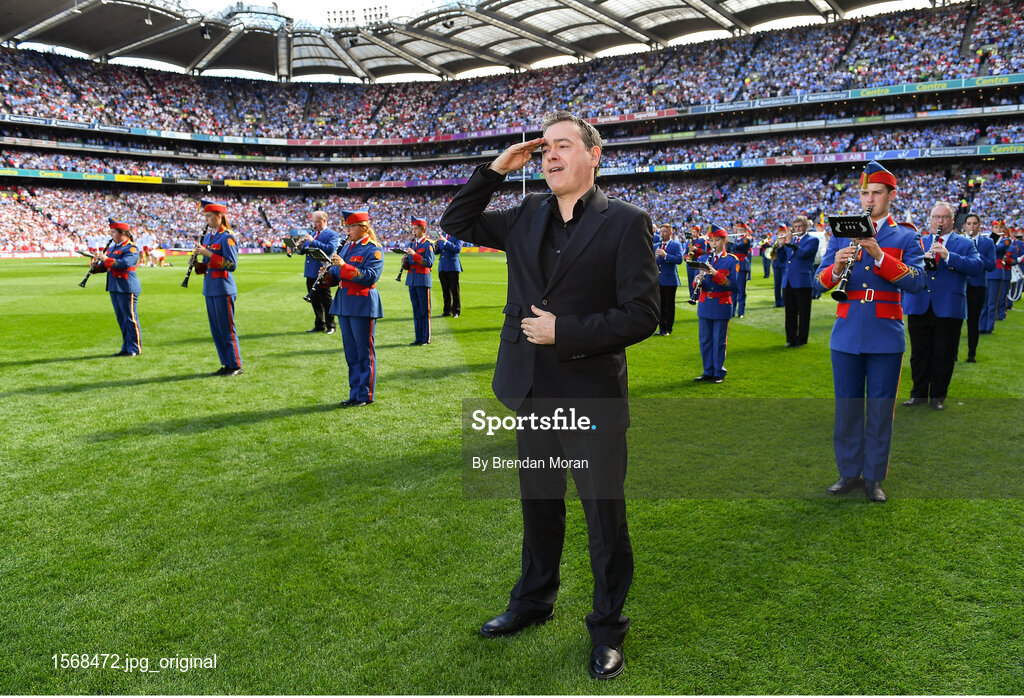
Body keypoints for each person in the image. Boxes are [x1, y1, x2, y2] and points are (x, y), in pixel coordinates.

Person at [438, 110, 659, 680]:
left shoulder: (626, 222)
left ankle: (607, 629)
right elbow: (456, 221)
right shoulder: (526, 213)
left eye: (563, 145)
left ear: (594, 155)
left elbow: (643, 314)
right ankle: (533, 603)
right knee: (539, 508)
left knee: (602, 516)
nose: (550, 156)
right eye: (543, 149)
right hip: (532, 392)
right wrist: (495, 168)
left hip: (590, 395)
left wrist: (568, 332)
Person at [814, 161, 926, 503]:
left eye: (877, 193)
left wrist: (880, 257)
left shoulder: (905, 235)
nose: (870, 199)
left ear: (891, 195)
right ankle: (848, 473)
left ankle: (874, 477)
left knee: (880, 411)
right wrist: (836, 267)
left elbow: (918, 283)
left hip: (885, 335)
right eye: (865, 192)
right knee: (847, 409)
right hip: (846, 333)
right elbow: (817, 282)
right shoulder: (841, 232)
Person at [901, 202, 983, 410]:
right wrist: (921, 261)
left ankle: (938, 397)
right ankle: (917, 394)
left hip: (948, 306)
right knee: (919, 353)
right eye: (936, 217)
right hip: (919, 303)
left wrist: (948, 256)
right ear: (929, 219)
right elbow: (905, 268)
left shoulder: (964, 243)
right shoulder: (918, 241)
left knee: (944, 353)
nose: (939, 221)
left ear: (952, 220)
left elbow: (977, 267)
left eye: (944, 217)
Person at [325, 210, 383, 407]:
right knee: (351, 353)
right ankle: (355, 392)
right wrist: (326, 276)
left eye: (351, 227)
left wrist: (343, 266)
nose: (347, 231)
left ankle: (365, 395)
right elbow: (336, 274)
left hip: (362, 303)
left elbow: (369, 277)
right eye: (346, 227)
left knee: (364, 352)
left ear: (363, 228)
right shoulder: (347, 247)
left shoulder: (373, 249)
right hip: (344, 304)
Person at [194, 200, 242, 376]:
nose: (206, 220)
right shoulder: (209, 237)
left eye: (209, 216)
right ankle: (226, 363)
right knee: (216, 329)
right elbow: (208, 265)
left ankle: (236, 364)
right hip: (210, 287)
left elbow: (231, 265)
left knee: (227, 328)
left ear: (219, 217)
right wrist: (197, 264)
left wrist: (207, 253)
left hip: (223, 288)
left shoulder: (227, 237)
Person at [693, 223, 738, 383]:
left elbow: (734, 285)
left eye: (717, 240)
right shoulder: (703, 259)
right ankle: (707, 371)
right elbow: (696, 282)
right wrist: (697, 281)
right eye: (711, 241)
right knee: (705, 340)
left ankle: (719, 371)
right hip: (705, 303)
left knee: (719, 341)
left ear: (724, 241)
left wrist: (715, 274)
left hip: (721, 304)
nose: (713, 244)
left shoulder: (731, 261)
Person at [93, 217, 142, 356]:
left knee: (130, 318)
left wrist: (106, 260)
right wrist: (95, 267)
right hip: (114, 286)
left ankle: (134, 348)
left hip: (127, 286)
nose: (111, 235)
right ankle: (126, 347)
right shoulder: (114, 248)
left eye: (113, 232)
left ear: (122, 233)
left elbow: (124, 264)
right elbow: (105, 266)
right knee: (121, 318)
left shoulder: (131, 247)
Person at [962, 213, 996, 362]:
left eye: (975, 223)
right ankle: (953, 354)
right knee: (954, 321)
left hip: (978, 286)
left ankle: (971, 354)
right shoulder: (960, 241)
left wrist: (977, 254)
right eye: (969, 224)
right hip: (960, 286)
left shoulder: (988, 243)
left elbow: (991, 265)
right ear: (965, 225)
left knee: (973, 321)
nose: (972, 226)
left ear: (979, 225)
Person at [781, 215, 819, 347]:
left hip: (803, 280)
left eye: (800, 226)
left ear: (806, 227)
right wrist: (781, 246)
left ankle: (801, 340)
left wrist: (791, 243)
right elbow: (782, 259)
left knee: (803, 312)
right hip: (788, 280)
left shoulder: (812, 240)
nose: (797, 229)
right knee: (789, 312)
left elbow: (803, 254)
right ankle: (790, 339)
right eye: (795, 226)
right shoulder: (791, 241)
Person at [299, 211, 340, 335]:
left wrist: (312, 241)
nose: (315, 224)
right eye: (314, 221)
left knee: (326, 300)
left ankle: (331, 325)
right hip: (310, 272)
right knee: (314, 300)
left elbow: (330, 249)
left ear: (324, 220)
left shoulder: (332, 234)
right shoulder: (313, 234)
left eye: (317, 221)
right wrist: (298, 246)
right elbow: (304, 250)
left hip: (323, 272)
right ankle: (319, 324)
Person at [403, 218, 434, 345]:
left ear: (422, 229)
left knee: (424, 311)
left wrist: (414, 255)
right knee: (416, 311)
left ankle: (426, 338)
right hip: (412, 280)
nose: (413, 231)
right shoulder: (414, 244)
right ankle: (418, 337)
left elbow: (429, 262)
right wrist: (405, 263)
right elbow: (410, 264)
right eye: (413, 229)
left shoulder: (428, 244)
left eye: (416, 229)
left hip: (422, 280)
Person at [981, 220, 1011, 333]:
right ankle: (981, 326)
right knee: (984, 302)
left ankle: (989, 327)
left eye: (1000, 227)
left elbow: (998, 249)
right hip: (986, 272)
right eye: (996, 227)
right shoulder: (989, 239)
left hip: (996, 272)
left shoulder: (1006, 240)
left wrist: (989, 242)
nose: (998, 229)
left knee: (992, 303)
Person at [654, 223, 683, 336]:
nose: (662, 234)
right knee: (659, 305)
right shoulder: (656, 245)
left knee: (669, 305)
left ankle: (668, 328)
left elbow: (679, 259)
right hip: (658, 280)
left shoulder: (676, 245)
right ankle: (661, 328)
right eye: (661, 231)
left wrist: (666, 255)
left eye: (665, 231)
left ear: (670, 233)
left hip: (670, 280)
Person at [434, 225, 464, 318]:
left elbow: (457, 249)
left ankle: (456, 311)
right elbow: (437, 251)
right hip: (442, 267)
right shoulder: (443, 236)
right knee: (445, 291)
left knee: (454, 291)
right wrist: (435, 245)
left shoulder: (457, 236)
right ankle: (446, 311)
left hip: (452, 267)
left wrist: (445, 241)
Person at [728, 222, 752, 318]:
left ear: (745, 231)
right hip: (733, 265)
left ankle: (741, 312)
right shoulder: (733, 239)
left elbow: (739, 246)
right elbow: (729, 249)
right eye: (739, 230)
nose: (740, 232)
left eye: (742, 230)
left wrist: (729, 240)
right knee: (733, 289)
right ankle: (732, 311)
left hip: (742, 265)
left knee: (741, 290)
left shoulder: (747, 239)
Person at [770, 226, 787, 307]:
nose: (781, 233)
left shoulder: (787, 242)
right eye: (780, 231)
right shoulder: (775, 242)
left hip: (784, 265)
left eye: (783, 231)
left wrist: (782, 245)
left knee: (784, 284)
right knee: (777, 284)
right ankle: (777, 302)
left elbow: (784, 255)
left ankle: (783, 301)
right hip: (776, 265)